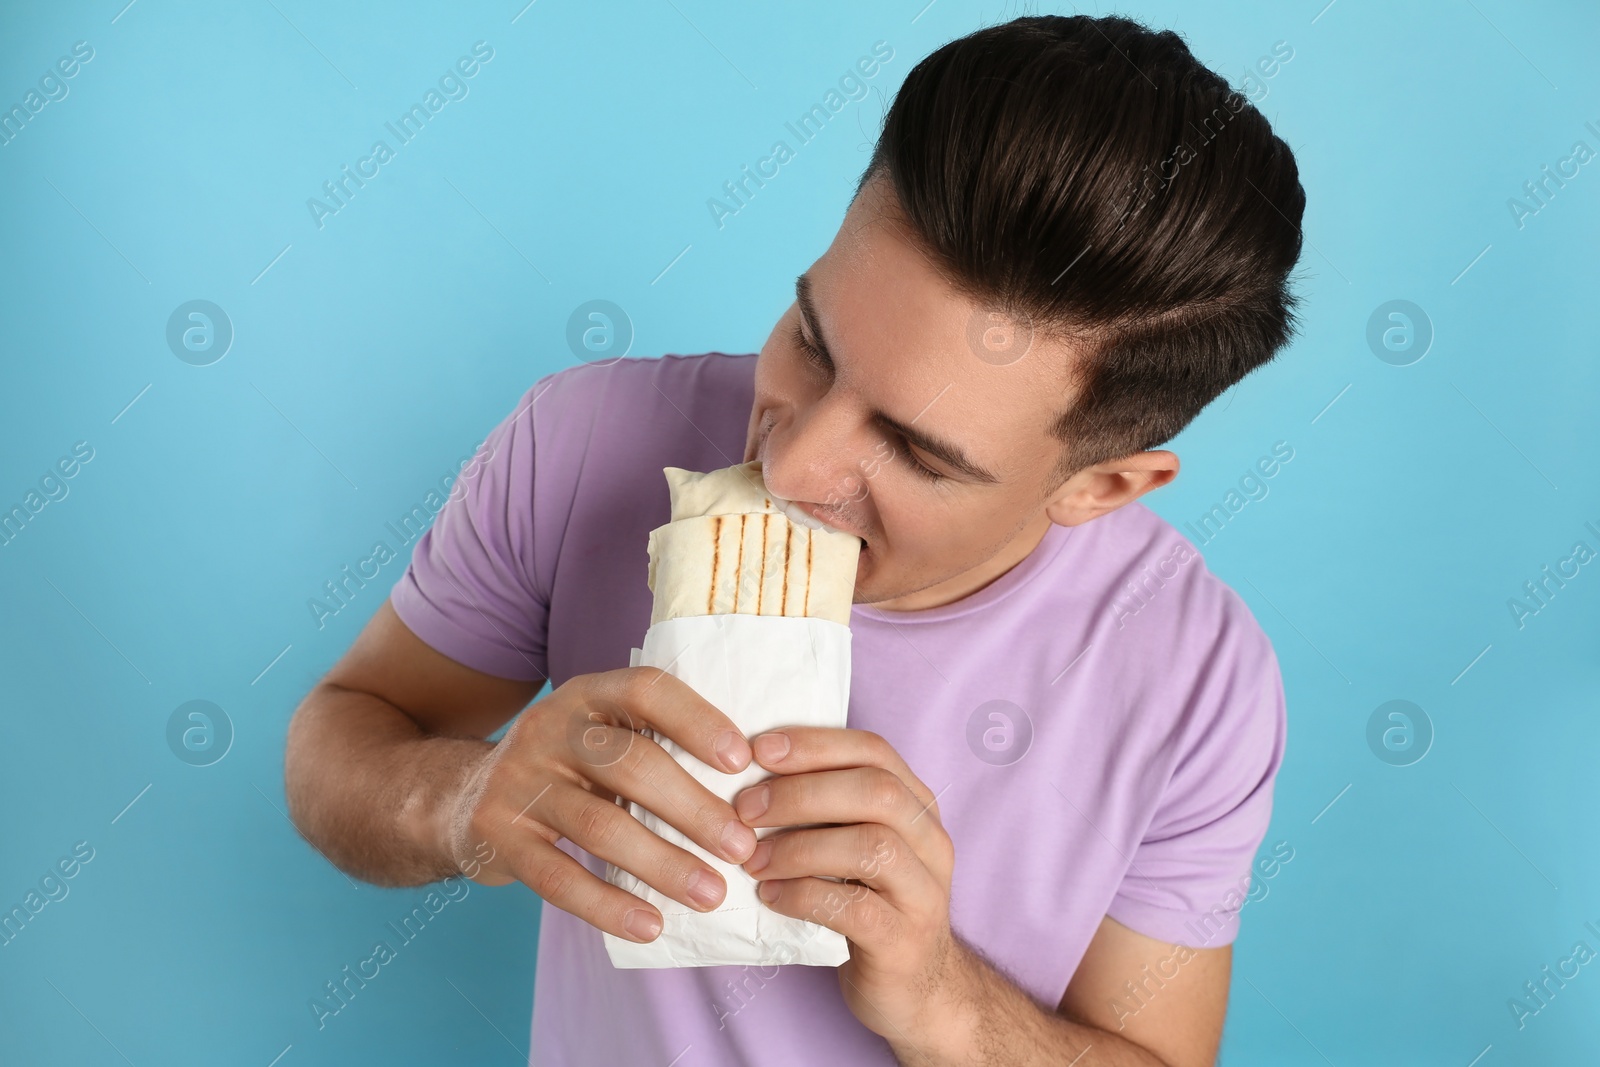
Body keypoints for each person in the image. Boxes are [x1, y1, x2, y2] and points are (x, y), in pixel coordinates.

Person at [284, 13, 1304, 1066]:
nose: (790, 465)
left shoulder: (1196, 674)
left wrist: (944, 997)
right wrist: (464, 800)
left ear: (1101, 486)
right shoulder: (584, 444)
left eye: (915, 449)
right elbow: (340, 736)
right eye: (811, 343)